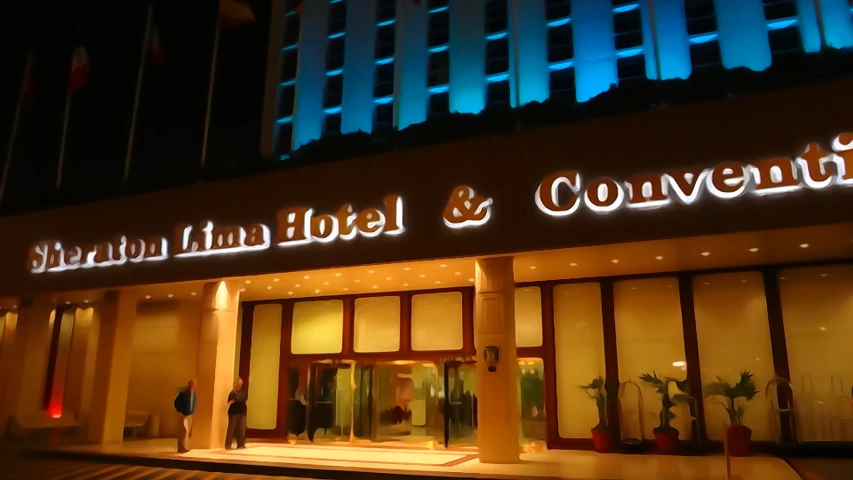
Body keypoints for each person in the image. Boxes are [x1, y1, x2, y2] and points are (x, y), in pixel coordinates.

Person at [173, 379, 197, 453]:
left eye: (194, 384)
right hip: (184, 414)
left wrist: (193, 412)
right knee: (183, 431)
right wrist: (179, 411)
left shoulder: (194, 394)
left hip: (190, 414)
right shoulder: (183, 393)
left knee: (188, 432)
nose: (193, 385)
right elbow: (176, 402)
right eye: (192, 384)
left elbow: (193, 404)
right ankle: (181, 447)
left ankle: (185, 446)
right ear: (189, 384)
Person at [225, 377, 248, 449]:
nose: (240, 384)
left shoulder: (243, 392)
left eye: (241, 383)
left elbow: (242, 398)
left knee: (241, 429)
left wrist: (236, 399)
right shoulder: (232, 392)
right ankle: (228, 445)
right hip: (233, 412)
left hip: (241, 412)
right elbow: (230, 401)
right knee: (231, 429)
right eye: (238, 382)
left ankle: (241, 444)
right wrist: (236, 399)